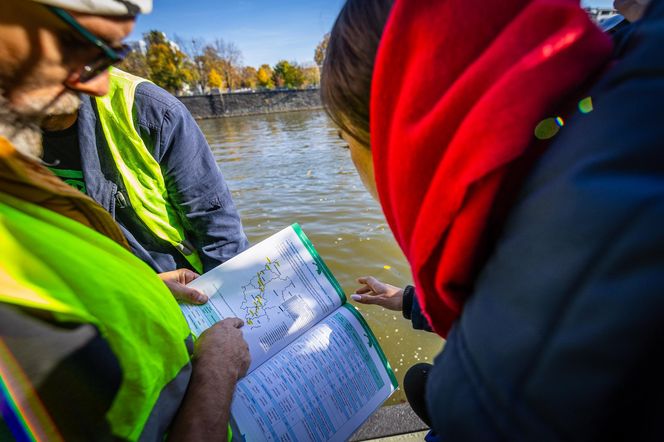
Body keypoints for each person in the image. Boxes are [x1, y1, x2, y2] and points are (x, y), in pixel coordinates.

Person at [323, 0, 664, 439]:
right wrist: (409, 301)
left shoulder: (501, 391)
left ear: (401, 145)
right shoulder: (617, 123)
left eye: (345, 140)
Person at [0, 0, 249, 439]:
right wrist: (217, 370)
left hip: (185, 302)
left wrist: (228, 310)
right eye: (83, 48)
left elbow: (218, 228)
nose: (99, 84)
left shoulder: (150, 109)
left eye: (112, 54)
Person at [41, 67, 248, 274]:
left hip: (182, 284)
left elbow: (216, 225)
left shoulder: (151, 109)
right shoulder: (10, 140)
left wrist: (226, 291)